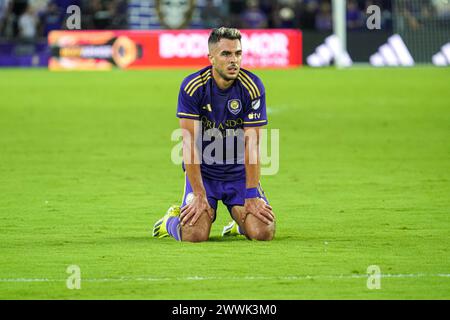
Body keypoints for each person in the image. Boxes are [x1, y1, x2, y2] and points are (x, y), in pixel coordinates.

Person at [152, 27, 276, 243]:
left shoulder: (252, 87)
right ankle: (168, 222)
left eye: (238, 53)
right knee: (194, 235)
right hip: (205, 173)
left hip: (239, 173)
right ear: (211, 57)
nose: (234, 60)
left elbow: (252, 145)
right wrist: (199, 194)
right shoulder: (193, 87)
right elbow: (189, 145)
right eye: (226, 54)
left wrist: (251, 195)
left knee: (263, 232)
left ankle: (240, 225)